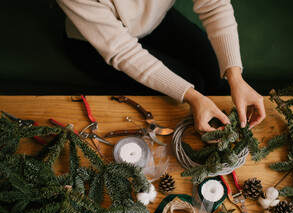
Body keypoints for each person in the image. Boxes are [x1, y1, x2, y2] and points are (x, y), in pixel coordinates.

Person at [56, 0, 266, 131]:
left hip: (156, 19)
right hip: (96, 44)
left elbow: (214, 5)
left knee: (214, 72)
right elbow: (123, 52)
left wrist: (235, 77)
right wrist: (192, 96)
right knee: (193, 84)